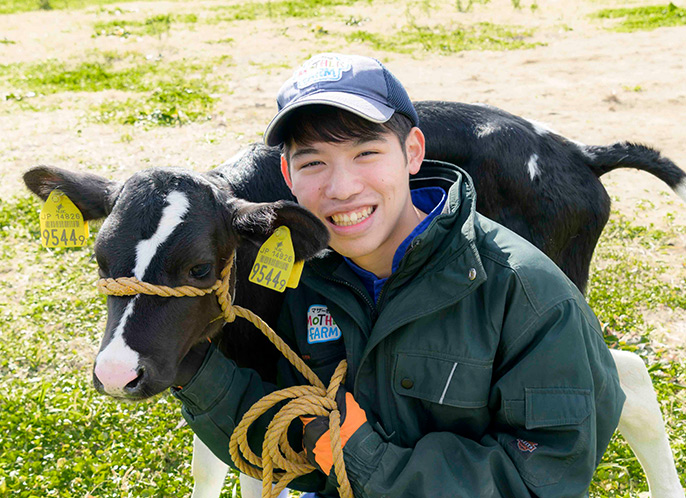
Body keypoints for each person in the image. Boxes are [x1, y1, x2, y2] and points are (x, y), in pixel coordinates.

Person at [173, 53, 625, 497]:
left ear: (412, 153)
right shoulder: (303, 282)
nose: (342, 188)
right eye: (313, 162)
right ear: (287, 174)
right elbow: (292, 439)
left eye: (366, 152)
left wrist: (361, 458)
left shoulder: (529, 295)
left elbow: (538, 483)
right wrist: (193, 373)